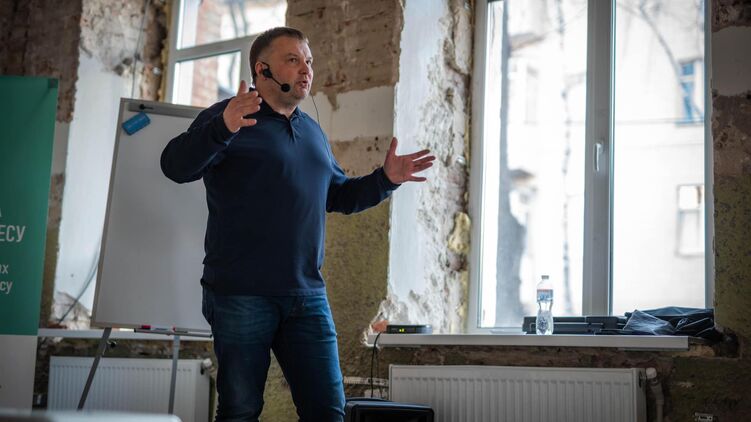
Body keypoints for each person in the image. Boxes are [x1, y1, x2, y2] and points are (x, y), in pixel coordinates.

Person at [160, 27, 434, 422]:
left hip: (306, 296)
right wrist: (222, 127)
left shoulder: (312, 132)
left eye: (309, 61)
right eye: (293, 60)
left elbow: (338, 196)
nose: (306, 69)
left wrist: (385, 179)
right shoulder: (230, 116)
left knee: (328, 411)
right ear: (262, 69)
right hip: (240, 294)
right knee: (240, 411)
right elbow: (175, 167)